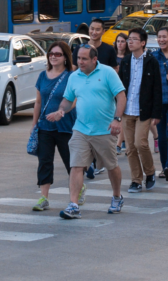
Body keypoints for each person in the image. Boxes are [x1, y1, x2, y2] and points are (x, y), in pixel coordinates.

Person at [47, 45, 127, 219]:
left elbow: (121, 96)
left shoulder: (107, 73)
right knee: (76, 165)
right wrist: (61, 110)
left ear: (94, 59)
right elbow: (67, 100)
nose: (80, 62)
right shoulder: (74, 77)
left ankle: (116, 196)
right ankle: (73, 205)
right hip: (81, 129)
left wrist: (117, 119)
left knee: (111, 166)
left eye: (84, 59)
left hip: (105, 130)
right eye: (78, 59)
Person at [31, 42, 77, 212]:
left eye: (58, 54)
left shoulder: (71, 76)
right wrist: (34, 124)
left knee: (70, 162)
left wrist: (61, 112)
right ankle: (44, 197)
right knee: (44, 161)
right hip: (44, 127)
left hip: (66, 126)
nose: (53, 56)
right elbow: (38, 102)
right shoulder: (43, 76)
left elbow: (74, 101)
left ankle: (78, 190)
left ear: (65, 57)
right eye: (51, 53)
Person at [118, 28, 163, 193]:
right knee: (130, 148)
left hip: (144, 111)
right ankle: (136, 180)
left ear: (143, 43)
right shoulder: (126, 61)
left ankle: (150, 172)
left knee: (140, 143)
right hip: (127, 110)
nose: (130, 42)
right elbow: (120, 87)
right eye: (129, 39)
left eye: (134, 39)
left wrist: (156, 114)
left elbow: (157, 89)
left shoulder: (151, 61)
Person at [72, 18, 119, 178]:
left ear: (103, 31)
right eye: (91, 29)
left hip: (103, 102)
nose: (94, 32)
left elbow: (115, 71)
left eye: (97, 29)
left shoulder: (108, 50)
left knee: (108, 158)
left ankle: (97, 163)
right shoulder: (79, 49)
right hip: (83, 100)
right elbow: (74, 72)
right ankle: (89, 164)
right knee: (82, 138)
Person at [153, 27, 168, 181]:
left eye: (164, 37)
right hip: (158, 101)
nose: (161, 40)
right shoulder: (154, 56)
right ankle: (164, 167)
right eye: (159, 37)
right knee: (161, 137)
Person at [114, 34, 129, 155]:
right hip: (113, 89)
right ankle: (122, 140)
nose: (120, 44)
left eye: (122, 41)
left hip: (125, 89)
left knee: (122, 117)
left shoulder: (129, 57)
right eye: (118, 41)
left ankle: (118, 144)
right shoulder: (113, 57)